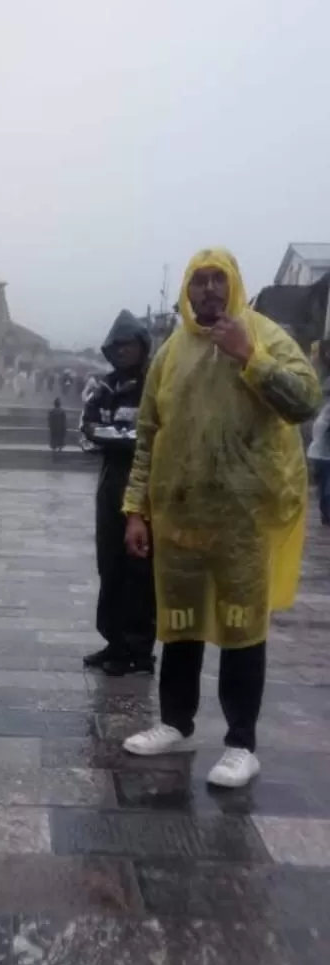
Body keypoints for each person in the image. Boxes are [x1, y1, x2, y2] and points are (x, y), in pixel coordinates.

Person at [122, 248, 321, 787]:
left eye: (218, 280)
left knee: (241, 629)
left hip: (244, 518)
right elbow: (147, 435)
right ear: (186, 291)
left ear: (233, 285)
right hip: (181, 517)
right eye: (198, 281)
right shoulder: (170, 353)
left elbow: (306, 401)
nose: (208, 290)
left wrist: (249, 356)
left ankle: (241, 743)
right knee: (179, 625)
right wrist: (136, 509)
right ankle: (176, 723)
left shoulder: (266, 335)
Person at [82, 311, 155, 676]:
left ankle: (139, 650)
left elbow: (153, 434)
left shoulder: (155, 383)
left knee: (138, 570)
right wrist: (123, 436)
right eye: (118, 346)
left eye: (129, 345)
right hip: (110, 483)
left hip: (145, 485)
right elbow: (89, 425)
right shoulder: (106, 386)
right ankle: (114, 641)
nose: (123, 351)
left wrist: (118, 435)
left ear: (142, 346)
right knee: (109, 563)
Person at [308, 373, 330, 525]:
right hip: (323, 454)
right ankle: (327, 515)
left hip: (319, 453)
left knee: (324, 488)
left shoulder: (325, 409)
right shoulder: (327, 409)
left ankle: (326, 516)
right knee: (326, 488)